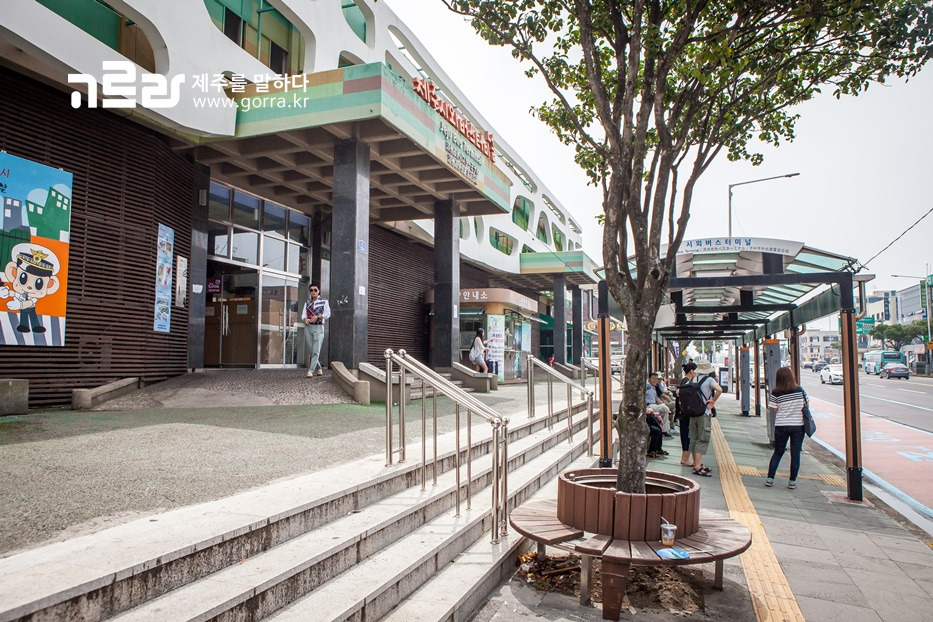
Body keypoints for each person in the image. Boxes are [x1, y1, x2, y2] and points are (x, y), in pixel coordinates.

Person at [766, 367, 808, 489]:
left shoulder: (775, 392)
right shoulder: (800, 390)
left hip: (781, 425)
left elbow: (774, 409)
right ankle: (792, 481)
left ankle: (770, 478)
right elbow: (806, 405)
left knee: (778, 452)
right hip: (798, 426)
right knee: (795, 453)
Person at [685, 357, 722, 477]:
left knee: (694, 438)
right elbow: (719, 390)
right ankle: (697, 467)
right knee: (702, 439)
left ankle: (696, 463)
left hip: (693, 413)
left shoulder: (693, 379)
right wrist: (713, 400)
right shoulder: (709, 379)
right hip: (703, 413)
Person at [302, 283, 331, 377]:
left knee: (316, 350)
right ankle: (319, 367)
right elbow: (303, 314)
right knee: (311, 350)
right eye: (311, 290)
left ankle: (310, 370)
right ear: (309, 292)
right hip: (308, 327)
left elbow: (328, 314)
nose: (313, 291)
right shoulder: (307, 303)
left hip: (318, 327)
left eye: (315, 290)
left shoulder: (324, 301)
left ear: (318, 291)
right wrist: (305, 319)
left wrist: (318, 317)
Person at [675, 362, 695, 466]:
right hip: (686, 413)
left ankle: (685, 458)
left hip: (682, 412)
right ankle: (685, 459)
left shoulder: (684, 381)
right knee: (687, 435)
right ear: (692, 371)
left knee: (685, 435)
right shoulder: (688, 382)